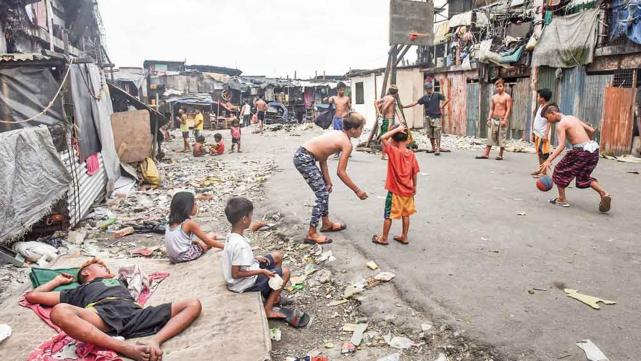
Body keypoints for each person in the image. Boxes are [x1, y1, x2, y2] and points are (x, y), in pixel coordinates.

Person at [24, 257, 202, 361]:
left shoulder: (119, 280)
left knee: (193, 303)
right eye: (100, 266)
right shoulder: (78, 290)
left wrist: (155, 340)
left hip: (134, 313)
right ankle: (125, 348)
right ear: (86, 273)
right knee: (60, 311)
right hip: (101, 314)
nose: (105, 266)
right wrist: (58, 281)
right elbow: (32, 296)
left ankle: (155, 341)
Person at [293, 112, 369, 244]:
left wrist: (328, 181)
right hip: (304, 158)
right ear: (353, 129)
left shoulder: (338, 134)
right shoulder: (346, 144)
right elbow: (341, 172)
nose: (362, 131)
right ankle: (311, 233)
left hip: (303, 155)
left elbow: (323, 157)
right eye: (361, 128)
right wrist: (357, 190)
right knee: (322, 194)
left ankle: (326, 223)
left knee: (324, 190)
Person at [221, 197, 291, 321]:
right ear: (244, 219)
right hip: (244, 283)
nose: (251, 218)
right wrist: (262, 271)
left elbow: (238, 260)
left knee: (277, 256)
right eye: (250, 215)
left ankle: (272, 295)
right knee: (285, 272)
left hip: (248, 272)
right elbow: (236, 274)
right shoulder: (239, 245)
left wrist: (254, 259)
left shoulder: (232, 236)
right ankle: (268, 309)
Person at [539, 104, 611, 212]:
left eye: (547, 117)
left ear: (552, 113)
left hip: (580, 151)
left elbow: (561, 145)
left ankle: (562, 199)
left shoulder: (561, 124)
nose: (548, 120)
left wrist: (548, 160)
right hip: (593, 149)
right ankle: (604, 193)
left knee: (559, 170)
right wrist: (587, 144)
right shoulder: (572, 117)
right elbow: (591, 130)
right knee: (584, 177)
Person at [372, 124, 420, 246]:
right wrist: (414, 186)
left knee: (388, 215)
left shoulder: (393, 152)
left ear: (393, 139)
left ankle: (384, 238)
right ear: (407, 139)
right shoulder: (411, 154)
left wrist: (396, 130)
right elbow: (414, 172)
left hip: (395, 191)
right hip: (408, 191)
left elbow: (382, 137)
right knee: (406, 214)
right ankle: (404, 236)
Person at [165, 191, 224, 263]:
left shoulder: (170, 222)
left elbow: (178, 239)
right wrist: (225, 247)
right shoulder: (188, 223)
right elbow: (207, 241)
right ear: (187, 207)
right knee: (211, 235)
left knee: (201, 240)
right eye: (195, 204)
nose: (196, 206)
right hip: (184, 256)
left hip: (173, 257)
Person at [403, 82, 450, 155]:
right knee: (430, 133)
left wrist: (442, 106)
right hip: (428, 117)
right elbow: (415, 103)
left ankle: (438, 149)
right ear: (426, 89)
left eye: (431, 88)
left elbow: (447, 99)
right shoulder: (424, 98)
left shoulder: (437, 95)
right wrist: (405, 106)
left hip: (436, 116)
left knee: (437, 132)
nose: (430, 90)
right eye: (428, 88)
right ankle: (433, 148)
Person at [476, 79, 512, 160]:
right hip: (493, 119)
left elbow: (508, 109)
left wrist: (505, 120)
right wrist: (489, 119)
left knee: (501, 137)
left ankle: (500, 155)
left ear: (504, 86)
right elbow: (491, 109)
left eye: (500, 86)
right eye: (497, 86)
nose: (499, 88)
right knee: (490, 137)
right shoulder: (494, 97)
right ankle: (486, 154)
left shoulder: (507, 97)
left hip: (502, 119)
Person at [530, 88, 553, 177]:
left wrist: (546, 134)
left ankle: (543, 172)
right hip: (537, 133)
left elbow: (549, 121)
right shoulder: (540, 106)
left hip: (543, 134)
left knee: (544, 154)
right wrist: (533, 132)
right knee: (539, 152)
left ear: (542, 98)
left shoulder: (548, 108)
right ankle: (541, 169)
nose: (537, 98)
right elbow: (537, 120)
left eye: (538, 96)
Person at [375, 85, 399, 160]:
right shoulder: (392, 99)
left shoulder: (385, 97)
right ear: (396, 93)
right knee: (387, 137)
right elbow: (385, 108)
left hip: (384, 119)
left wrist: (379, 113)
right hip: (388, 119)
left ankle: (384, 154)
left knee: (384, 136)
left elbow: (375, 102)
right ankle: (385, 154)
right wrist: (382, 113)